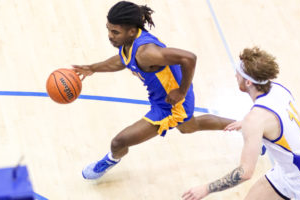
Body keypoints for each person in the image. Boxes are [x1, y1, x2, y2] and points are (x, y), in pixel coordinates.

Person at [73, 1, 234, 180]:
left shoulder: (146, 52)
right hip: (163, 97)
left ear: (132, 31)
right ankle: (245, 126)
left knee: (119, 142)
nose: (110, 36)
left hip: (171, 105)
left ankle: (110, 160)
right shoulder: (130, 43)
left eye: (115, 32)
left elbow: (189, 58)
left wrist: (181, 92)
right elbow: (122, 60)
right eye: (109, 30)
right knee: (189, 126)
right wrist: (93, 68)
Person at [182, 47, 300, 200]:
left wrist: (206, 189)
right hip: (287, 172)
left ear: (248, 82)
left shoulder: (256, 119)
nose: (235, 76)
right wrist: (247, 123)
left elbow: (245, 172)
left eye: (238, 74)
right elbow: (277, 119)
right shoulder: (278, 89)